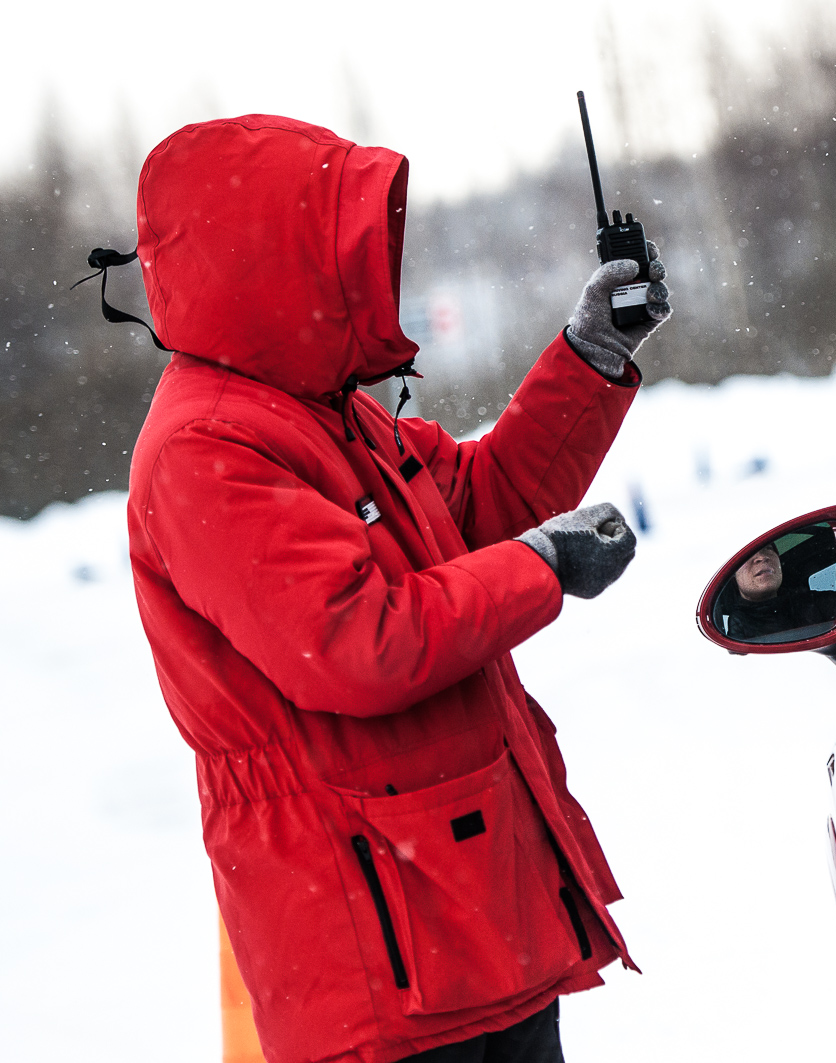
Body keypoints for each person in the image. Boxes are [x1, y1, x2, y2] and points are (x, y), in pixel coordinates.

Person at [123, 115, 668, 1063]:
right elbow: (358, 643)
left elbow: (482, 505)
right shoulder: (205, 450)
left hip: (461, 917)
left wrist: (592, 355)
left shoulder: (327, 414)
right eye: (340, 247)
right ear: (267, 264)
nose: (369, 271)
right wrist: (543, 564)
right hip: (370, 963)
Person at [720, 540, 836, 640]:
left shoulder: (814, 601)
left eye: (768, 548)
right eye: (746, 554)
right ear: (732, 573)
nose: (762, 557)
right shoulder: (737, 627)